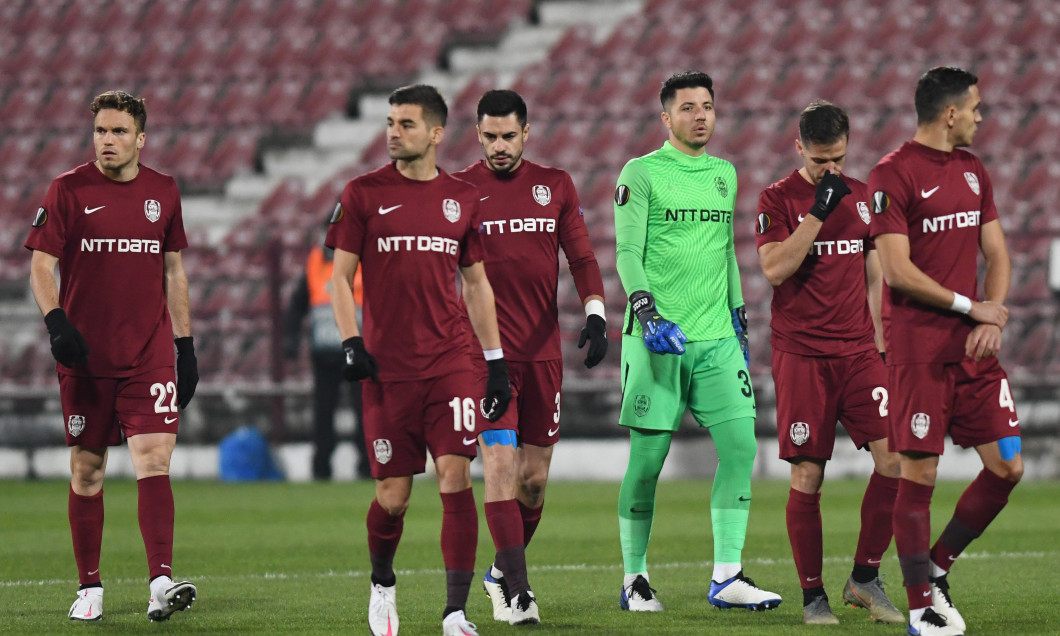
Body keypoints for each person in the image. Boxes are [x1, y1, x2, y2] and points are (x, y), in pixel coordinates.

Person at [326, 84, 511, 636]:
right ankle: (383, 582)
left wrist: (495, 360)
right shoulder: (361, 194)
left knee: (455, 476)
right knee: (394, 495)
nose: (391, 132)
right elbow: (339, 276)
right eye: (389, 121)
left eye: (405, 123)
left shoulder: (461, 198)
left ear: (434, 133)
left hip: (451, 361)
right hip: (387, 367)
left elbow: (476, 284)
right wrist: (350, 341)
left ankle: (455, 611)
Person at [24, 90, 198, 622]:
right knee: (88, 469)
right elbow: (40, 267)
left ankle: (161, 583)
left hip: (147, 354)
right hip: (86, 357)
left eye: (119, 131)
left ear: (141, 139)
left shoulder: (163, 192)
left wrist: (185, 346)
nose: (108, 140)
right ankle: (90, 588)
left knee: (154, 461)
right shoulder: (68, 190)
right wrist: (57, 322)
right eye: (101, 130)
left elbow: (173, 272)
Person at [613, 70, 781, 613]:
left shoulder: (724, 175)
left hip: (715, 339)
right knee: (648, 460)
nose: (700, 115)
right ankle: (634, 578)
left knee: (741, 447)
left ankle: (727, 576)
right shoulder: (641, 174)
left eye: (707, 105)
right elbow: (626, 252)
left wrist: (739, 314)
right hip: (657, 338)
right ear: (666, 118)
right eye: (687, 108)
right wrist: (646, 311)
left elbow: (726, 249)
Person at [869, 66, 1022, 636]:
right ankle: (921, 608)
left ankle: (935, 567)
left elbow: (999, 256)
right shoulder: (892, 173)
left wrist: (994, 314)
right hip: (918, 351)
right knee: (921, 472)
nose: (982, 116)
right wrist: (971, 307)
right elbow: (899, 272)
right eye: (976, 107)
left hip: (974, 352)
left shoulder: (974, 171)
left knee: (1007, 466)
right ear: (950, 112)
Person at [453, 89, 608, 625]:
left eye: (508, 136)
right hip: (484, 356)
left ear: (526, 133)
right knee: (498, 464)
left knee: (533, 480)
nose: (499, 146)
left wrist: (595, 313)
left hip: (543, 354)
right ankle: (518, 592)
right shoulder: (459, 192)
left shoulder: (555, 185)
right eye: (490, 136)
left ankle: (500, 570)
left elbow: (582, 255)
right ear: (477, 133)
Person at [755, 100, 903, 625]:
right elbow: (774, 269)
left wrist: (883, 344)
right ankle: (813, 595)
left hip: (860, 352)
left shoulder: (864, 199)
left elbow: (873, 274)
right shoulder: (777, 198)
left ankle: (864, 578)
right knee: (808, 479)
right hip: (802, 356)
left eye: (838, 159)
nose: (832, 171)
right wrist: (818, 207)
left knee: (894, 461)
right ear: (800, 149)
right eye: (821, 161)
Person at [283, 233, 370, 480]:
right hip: (325, 353)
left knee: (362, 409)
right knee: (324, 411)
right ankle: (322, 467)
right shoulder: (315, 263)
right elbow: (298, 303)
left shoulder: (362, 261)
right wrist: (291, 338)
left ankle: (366, 465)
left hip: (356, 351)